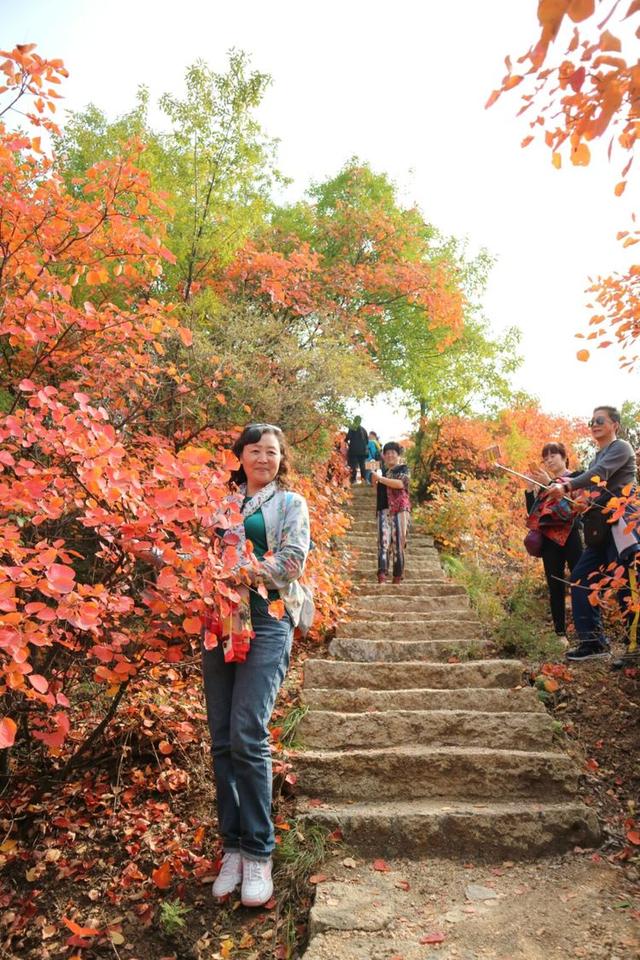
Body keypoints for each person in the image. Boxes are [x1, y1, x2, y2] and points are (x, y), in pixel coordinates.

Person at [201, 423, 311, 906]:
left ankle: (260, 850)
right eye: (254, 450)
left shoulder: (290, 504)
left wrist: (239, 570)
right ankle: (233, 847)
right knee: (222, 737)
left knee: (248, 731)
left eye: (271, 451)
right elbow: (197, 556)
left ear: (280, 458)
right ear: (239, 456)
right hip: (220, 617)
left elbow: (292, 561)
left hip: (267, 616)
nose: (263, 458)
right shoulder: (220, 502)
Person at [547, 406, 637, 663]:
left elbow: (599, 476)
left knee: (626, 584)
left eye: (600, 420)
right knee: (581, 577)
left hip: (622, 525)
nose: (594, 424)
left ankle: (635, 649)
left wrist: (567, 485)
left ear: (614, 425)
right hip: (600, 530)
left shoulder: (621, 448)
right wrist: (581, 502)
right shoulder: (596, 456)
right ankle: (593, 642)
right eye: (591, 421)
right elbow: (596, 489)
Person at [524, 442, 583, 645]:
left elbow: (575, 506)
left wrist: (551, 483)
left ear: (564, 456)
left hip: (572, 534)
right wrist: (530, 490)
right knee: (555, 584)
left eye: (553, 455)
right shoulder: (544, 483)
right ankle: (560, 633)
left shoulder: (577, 477)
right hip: (549, 539)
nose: (549, 460)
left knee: (580, 581)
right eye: (545, 457)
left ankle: (587, 630)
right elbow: (534, 513)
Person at [372, 441, 411, 583]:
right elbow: (376, 488)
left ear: (397, 455)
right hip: (383, 509)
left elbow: (400, 484)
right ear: (383, 455)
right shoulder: (382, 470)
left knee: (398, 543)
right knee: (383, 542)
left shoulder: (403, 469)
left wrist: (380, 479)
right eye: (387, 453)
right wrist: (375, 479)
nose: (390, 455)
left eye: (393, 453)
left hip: (400, 509)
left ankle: (397, 576)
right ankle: (382, 575)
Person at [346, 416, 369, 484]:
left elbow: (348, 438)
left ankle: (353, 480)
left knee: (353, 465)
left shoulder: (352, 428)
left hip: (353, 451)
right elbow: (367, 441)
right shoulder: (364, 430)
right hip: (363, 451)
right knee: (362, 465)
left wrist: (347, 442)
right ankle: (364, 480)